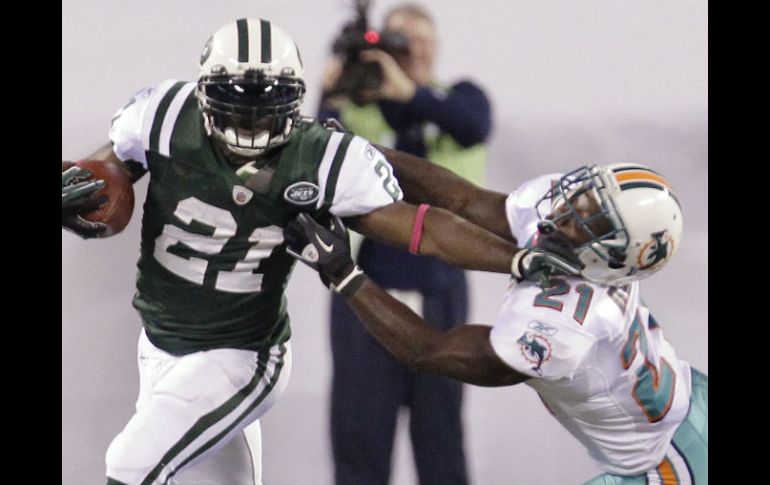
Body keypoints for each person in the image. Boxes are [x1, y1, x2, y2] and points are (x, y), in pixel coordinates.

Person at [61, 18, 577, 485]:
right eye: (237, 102)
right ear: (204, 94)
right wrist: (81, 198)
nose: (252, 121)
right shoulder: (164, 114)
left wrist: (515, 259)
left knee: (131, 462)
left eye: (267, 105)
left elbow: (426, 228)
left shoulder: (320, 155)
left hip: (239, 352)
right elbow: (108, 171)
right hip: (158, 341)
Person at [284, 159, 708, 484]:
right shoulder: (594, 253)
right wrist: (354, 153)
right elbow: (465, 200)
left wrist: (343, 273)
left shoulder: (565, 326)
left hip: (665, 463)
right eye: (585, 197)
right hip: (692, 401)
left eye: (592, 220)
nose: (568, 210)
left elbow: (427, 351)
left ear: (615, 257)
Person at [318, 4, 491, 484]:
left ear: (435, 47)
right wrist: (331, 96)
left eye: (420, 39)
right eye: (399, 39)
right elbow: (318, 164)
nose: (411, 49)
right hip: (366, 290)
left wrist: (411, 92)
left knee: (440, 434)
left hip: (440, 288)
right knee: (359, 432)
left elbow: (474, 126)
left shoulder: (459, 98)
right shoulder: (358, 110)